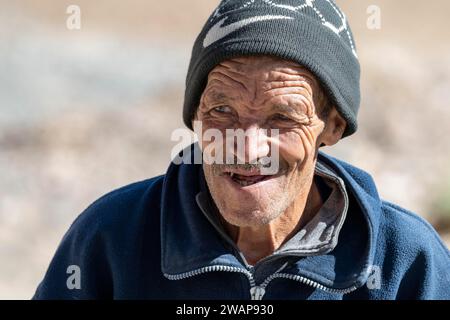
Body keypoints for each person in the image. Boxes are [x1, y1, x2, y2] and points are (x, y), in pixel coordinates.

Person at [33, 0, 450, 300]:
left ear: (333, 125)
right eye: (222, 110)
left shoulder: (405, 260)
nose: (247, 147)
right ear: (196, 114)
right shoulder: (112, 237)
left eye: (282, 117)